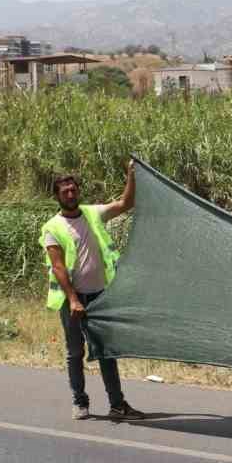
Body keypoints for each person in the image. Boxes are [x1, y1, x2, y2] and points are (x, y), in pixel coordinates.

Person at [41, 161, 142, 421]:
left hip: (99, 295)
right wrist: (73, 300)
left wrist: (131, 174)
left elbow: (125, 204)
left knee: (106, 351)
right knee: (75, 351)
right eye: (65, 192)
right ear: (57, 196)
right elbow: (59, 267)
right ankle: (80, 402)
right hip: (73, 300)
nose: (71, 195)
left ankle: (117, 404)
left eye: (74, 190)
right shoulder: (53, 227)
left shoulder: (93, 213)